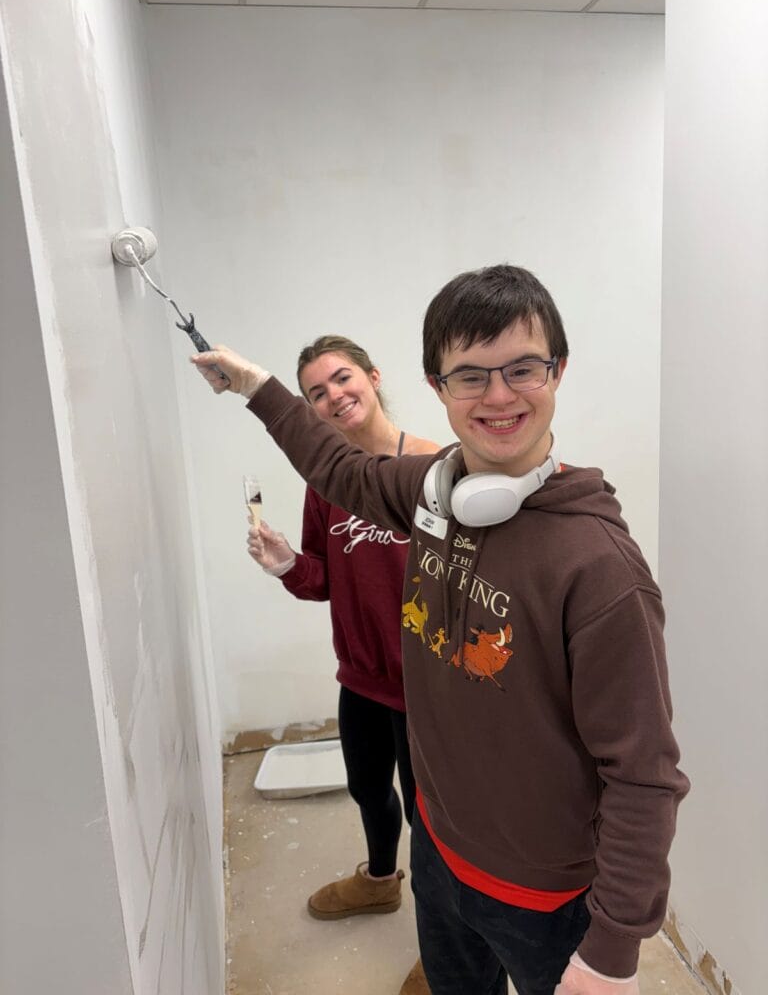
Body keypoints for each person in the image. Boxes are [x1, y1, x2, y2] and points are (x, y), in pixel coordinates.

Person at [194, 265, 689, 995]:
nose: (497, 395)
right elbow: (337, 466)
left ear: (558, 370)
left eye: (522, 367)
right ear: (437, 386)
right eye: (470, 375)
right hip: (440, 853)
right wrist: (255, 386)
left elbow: (645, 777)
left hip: (544, 899)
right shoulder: (435, 495)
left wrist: (612, 952)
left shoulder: (600, 570)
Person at [247, 336, 438, 989]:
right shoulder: (324, 483)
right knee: (366, 788)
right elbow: (322, 577)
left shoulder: (435, 467)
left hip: (432, 689)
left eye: (342, 377)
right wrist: (284, 566)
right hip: (361, 679)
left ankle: (450, 956)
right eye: (316, 392)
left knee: (435, 828)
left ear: (374, 377)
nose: (333, 396)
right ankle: (381, 882)